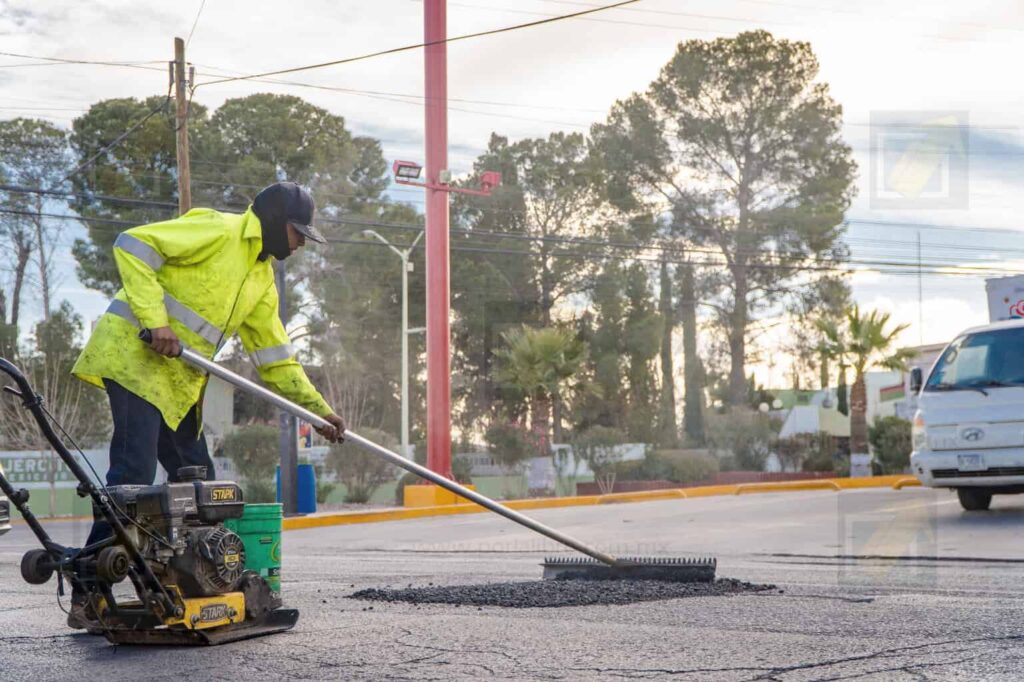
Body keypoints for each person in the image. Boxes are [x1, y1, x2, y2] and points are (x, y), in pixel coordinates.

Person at [67, 182, 346, 629]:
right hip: (135, 361)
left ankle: (188, 585)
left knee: (200, 488)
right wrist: (156, 321)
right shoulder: (218, 230)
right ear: (277, 223)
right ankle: (88, 589)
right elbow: (132, 243)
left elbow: (276, 360)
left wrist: (319, 411)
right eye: (298, 234)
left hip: (179, 384)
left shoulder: (260, 279)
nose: (299, 245)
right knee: (134, 477)